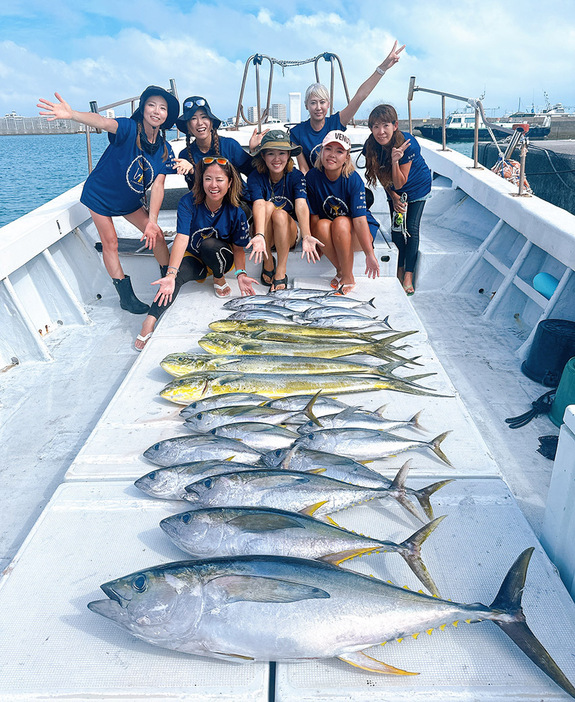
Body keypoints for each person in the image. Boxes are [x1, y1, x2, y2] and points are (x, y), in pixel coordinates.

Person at [37, 86, 189, 314]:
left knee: (155, 234)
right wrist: (73, 115)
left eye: (163, 107)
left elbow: (158, 187)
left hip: (128, 199)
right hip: (100, 195)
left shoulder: (165, 149)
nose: (156, 111)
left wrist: (152, 221)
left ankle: (168, 278)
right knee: (111, 243)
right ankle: (126, 297)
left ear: (167, 116)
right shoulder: (128, 129)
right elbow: (102, 122)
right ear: (143, 108)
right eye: (151, 105)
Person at [134, 156, 266, 350]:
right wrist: (170, 274)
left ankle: (218, 278)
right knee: (174, 278)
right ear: (201, 180)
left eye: (220, 180)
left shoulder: (236, 210)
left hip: (220, 257)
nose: (213, 185)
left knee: (209, 245)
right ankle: (150, 320)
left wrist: (241, 274)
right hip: (194, 257)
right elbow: (182, 237)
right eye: (208, 179)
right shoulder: (188, 202)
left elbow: (238, 248)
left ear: (229, 183)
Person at [290, 41, 405, 174]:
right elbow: (304, 168)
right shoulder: (297, 133)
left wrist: (382, 68)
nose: (318, 107)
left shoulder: (335, 122)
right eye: (313, 103)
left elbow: (360, 96)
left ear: (328, 104)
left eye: (322, 102)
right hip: (314, 183)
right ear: (306, 106)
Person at [363, 104, 432, 296]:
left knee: (411, 229)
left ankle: (408, 274)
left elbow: (401, 182)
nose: (381, 131)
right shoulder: (371, 144)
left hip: (417, 187)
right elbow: (379, 173)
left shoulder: (407, 143)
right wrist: (392, 196)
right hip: (393, 189)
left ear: (395, 125)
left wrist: (394, 160)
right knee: (396, 228)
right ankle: (399, 268)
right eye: (375, 126)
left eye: (385, 125)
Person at [248, 130, 323, 291]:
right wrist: (259, 235)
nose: (277, 159)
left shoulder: (296, 176)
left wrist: (307, 234)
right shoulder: (255, 177)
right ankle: (268, 261)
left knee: (280, 214)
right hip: (263, 232)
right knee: (268, 206)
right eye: (271, 154)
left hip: (287, 234)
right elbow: (259, 204)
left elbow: (301, 204)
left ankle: (280, 271)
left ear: (289, 155)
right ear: (263, 156)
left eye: (282, 153)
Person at [306, 131, 380, 294]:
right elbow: (313, 215)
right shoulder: (312, 177)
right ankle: (341, 271)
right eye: (328, 149)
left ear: (347, 157)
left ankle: (348, 277)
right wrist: (315, 244)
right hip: (333, 232)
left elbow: (360, 221)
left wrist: (370, 254)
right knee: (322, 224)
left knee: (341, 222)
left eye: (339, 151)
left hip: (361, 232)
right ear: (321, 151)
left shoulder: (352, 179)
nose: (332, 155)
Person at [176, 96, 267, 188]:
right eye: (193, 118)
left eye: (204, 117)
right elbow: (194, 190)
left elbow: (254, 172)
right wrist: (192, 172)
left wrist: (254, 151)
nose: (200, 123)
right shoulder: (185, 155)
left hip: (238, 199)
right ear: (188, 127)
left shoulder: (230, 146)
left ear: (211, 123)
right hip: (207, 201)